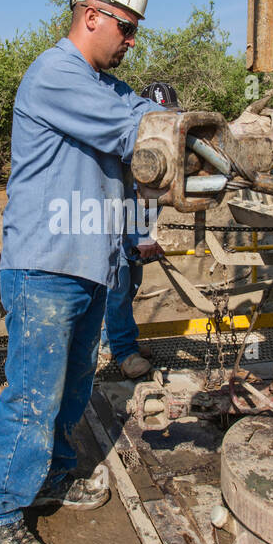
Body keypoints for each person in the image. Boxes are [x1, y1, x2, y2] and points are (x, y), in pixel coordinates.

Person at [0, 0, 166, 544]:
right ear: (90, 15)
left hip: (89, 263)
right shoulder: (56, 74)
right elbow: (140, 129)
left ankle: (52, 475)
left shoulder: (106, 87)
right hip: (48, 266)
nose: (131, 41)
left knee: (73, 386)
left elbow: (139, 147)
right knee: (34, 394)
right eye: (126, 28)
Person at [104, 81, 178, 379]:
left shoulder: (162, 152)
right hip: (118, 232)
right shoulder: (136, 152)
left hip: (134, 235)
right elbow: (133, 200)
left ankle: (115, 341)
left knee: (130, 287)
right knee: (117, 291)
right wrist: (141, 238)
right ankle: (123, 353)